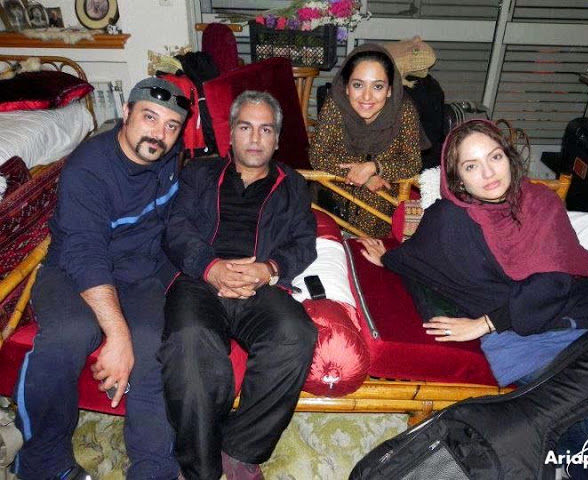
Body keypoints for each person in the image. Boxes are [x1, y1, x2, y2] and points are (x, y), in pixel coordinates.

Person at [359, 119, 588, 478]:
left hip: (585, 316)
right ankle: (558, 454)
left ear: (508, 157)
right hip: (527, 342)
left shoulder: (540, 202)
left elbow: (555, 281)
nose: (489, 173)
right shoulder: (448, 219)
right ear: (457, 178)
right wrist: (388, 259)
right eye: (471, 166)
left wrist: (484, 322)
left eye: (494, 157)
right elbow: (418, 257)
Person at [13, 77, 190, 480]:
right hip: (73, 269)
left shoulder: (169, 156)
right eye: (149, 117)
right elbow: (85, 254)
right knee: (68, 334)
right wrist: (118, 334)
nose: (159, 134)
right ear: (125, 113)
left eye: (171, 125)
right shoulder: (88, 168)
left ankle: (153, 469)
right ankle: (42, 464)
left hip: (141, 272)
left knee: (154, 343)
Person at [159, 90, 318, 480]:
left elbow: (304, 243)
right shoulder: (199, 173)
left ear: (277, 139)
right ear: (230, 134)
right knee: (190, 342)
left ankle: (241, 449)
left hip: (258, 286)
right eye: (246, 127)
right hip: (199, 280)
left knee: (295, 334)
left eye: (266, 129)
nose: (255, 138)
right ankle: (200, 467)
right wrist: (210, 267)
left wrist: (269, 269)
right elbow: (176, 228)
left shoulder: (293, 184)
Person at [309, 43, 428, 236]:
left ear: (389, 90)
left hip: (381, 217)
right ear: (346, 87)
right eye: (358, 85)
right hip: (332, 207)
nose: (366, 96)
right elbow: (317, 156)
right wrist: (362, 177)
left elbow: (412, 162)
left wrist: (374, 167)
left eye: (378, 86)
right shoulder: (335, 106)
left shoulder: (403, 112)